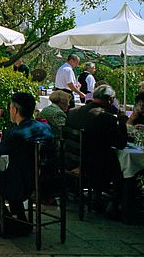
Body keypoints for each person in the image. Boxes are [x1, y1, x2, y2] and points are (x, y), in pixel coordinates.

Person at [0, 92, 53, 237]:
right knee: (12, 174)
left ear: (15, 110)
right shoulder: (44, 127)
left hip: (23, 184)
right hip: (48, 180)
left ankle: (7, 222)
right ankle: (22, 221)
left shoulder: (15, 134)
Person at [65, 85, 127, 215]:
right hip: (94, 165)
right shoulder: (106, 117)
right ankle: (116, 204)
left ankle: (99, 198)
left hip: (72, 159)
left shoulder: (72, 112)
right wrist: (122, 122)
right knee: (126, 168)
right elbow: (121, 144)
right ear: (110, 99)